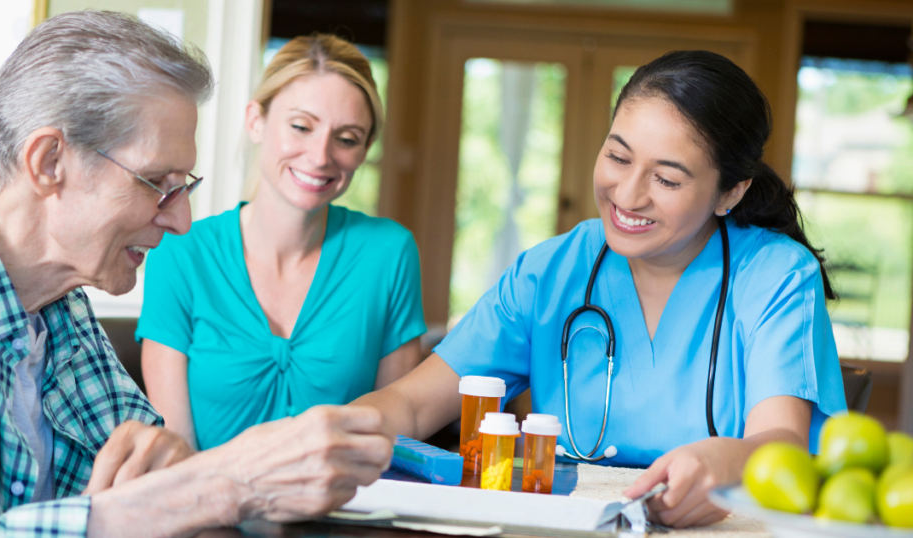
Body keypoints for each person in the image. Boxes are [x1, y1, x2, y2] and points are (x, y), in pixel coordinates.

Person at [0, 11, 391, 537]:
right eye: (157, 182)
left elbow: (165, 472)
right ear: (48, 162)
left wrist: (181, 477)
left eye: (183, 187)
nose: (181, 221)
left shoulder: (61, 305)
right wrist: (217, 485)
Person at [352, 50, 847, 528]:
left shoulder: (776, 274)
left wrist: (727, 459)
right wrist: (318, 432)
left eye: (667, 180)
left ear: (731, 192)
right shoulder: (548, 272)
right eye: (617, 156)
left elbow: (782, 441)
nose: (628, 195)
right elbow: (412, 404)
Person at [137, 34, 426, 451]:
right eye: (301, 126)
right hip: (208, 509)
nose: (321, 155)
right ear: (256, 120)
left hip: (347, 512)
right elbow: (175, 449)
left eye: (346, 138)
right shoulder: (180, 251)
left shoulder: (390, 254)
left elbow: (393, 442)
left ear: (364, 151)